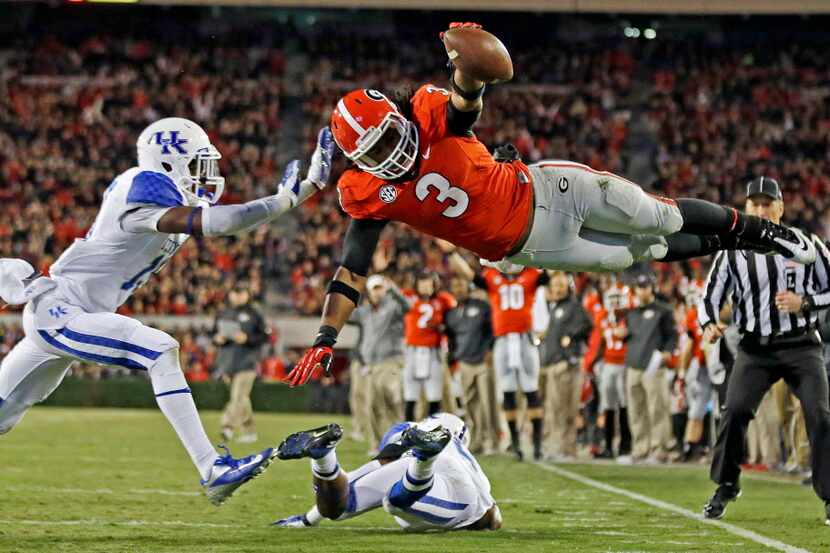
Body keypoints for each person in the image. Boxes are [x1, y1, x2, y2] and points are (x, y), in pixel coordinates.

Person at [285, 20, 816, 394]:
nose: (387, 152)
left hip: (548, 191)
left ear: (397, 116)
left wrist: (470, 71)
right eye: (373, 150)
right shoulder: (362, 193)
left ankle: (760, 232)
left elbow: (465, 106)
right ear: (356, 160)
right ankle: (730, 241)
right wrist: (327, 334)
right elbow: (352, 270)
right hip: (537, 245)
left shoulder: (427, 113)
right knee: (640, 255)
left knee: (661, 216)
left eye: (387, 137)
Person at [0, 118, 335, 505]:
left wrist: (306, 188)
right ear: (167, 164)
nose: (205, 175)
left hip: (71, 312)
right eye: (195, 164)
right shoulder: (142, 185)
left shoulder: (163, 195)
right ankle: (212, 467)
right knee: (159, 349)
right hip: (61, 311)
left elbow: (226, 217)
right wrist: (286, 199)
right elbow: (221, 222)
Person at [699, 177, 830, 524]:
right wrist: (709, 322)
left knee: (820, 414)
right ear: (746, 208)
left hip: (802, 344)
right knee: (735, 411)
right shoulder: (732, 249)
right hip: (755, 348)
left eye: (767, 203)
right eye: (754, 204)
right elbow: (710, 295)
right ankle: (727, 484)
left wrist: (806, 302)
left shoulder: (807, 244)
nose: (760, 210)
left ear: (780, 207)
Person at [272, 413, 501, 532]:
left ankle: (324, 459)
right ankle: (425, 459)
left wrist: (308, 520)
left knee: (342, 506)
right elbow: (491, 518)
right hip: (443, 476)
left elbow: (363, 474)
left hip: (411, 459)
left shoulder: (409, 431)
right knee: (393, 501)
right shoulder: (463, 457)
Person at [445, 249, 548, 461]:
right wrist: (453, 254)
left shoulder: (530, 274)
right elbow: (470, 275)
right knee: (508, 392)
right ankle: (516, 444)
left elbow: (553, 273)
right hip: (502, 340)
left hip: (525, 339)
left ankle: (537, 445)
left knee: (531, 390)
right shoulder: (493, 278)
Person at [350, 273, 409, 452]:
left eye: (380, 288)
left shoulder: (393, 306)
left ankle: (400, 440)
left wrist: (394, 290)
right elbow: (346, 313)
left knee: (392, 399)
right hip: (371, 364)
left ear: (385, 289)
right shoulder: (365, 312)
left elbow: (408, 307)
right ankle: (376, 444)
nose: (377, 292)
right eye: (374, 289)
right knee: (372, 405)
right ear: (369, 292)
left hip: (391, 361)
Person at [624, 273, 679, 463]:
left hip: (653, 366)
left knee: (657, 408)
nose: (643, 290)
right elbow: (629, 336)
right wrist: (622, 334)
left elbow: (672, 335)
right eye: (640, 287)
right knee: (636, 410)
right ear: (636, 290)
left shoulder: (663, 310)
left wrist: (667, 351)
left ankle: (659, 449)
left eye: (646, 286)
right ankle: (640, 448)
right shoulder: (630, 313)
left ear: (652, 288)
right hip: (633, 365)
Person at [538, 271, 593, 460]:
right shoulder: (556, 307)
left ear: (568, 287)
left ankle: (565, 449)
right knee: (555, 408)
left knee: (565, 409)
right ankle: (559, 447)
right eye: (555, 286)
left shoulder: (573, 306)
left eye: (561, 286)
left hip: (566, 364)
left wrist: (571, 336)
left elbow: (587, 324)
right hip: (554, 363)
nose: (558, 289)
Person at [444, 273, 495, 454]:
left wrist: (490, 349)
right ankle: (478, 440)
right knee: (470, 404)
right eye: (455, 286)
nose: (458, 290)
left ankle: (492, 440)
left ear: (469, 287)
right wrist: (453, 359)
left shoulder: (482, 307)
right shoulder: (451, 314)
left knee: (488, 403)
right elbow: (451, 339)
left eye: (461, 286)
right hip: (464, 362)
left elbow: (492, 330)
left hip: (482, 361)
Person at [213, 282, 269, 443]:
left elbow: (264, 337)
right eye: (235, 292)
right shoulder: (223, 312)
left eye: (241, 292)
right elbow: (213, 334)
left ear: (247, 294)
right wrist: (217, 339)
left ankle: (227, 427)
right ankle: (249, 432)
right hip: (227, 362)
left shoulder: (255, 313)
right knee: (242, 399)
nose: (237, 295)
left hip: (247, 361)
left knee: (238, 396)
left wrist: (247, 339)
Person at [584, 277, 633, 460]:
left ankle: (625, 446)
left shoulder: (629, 317)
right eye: (611, 299)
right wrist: (594, 362)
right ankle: (608, 445)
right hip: (608, 364)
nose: (614, 303)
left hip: (624, 365)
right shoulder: (602, 317)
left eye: (617, 299)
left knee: (624, 405)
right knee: (608, 406)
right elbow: (601, 342)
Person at [401, 272, 456, 421]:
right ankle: (408, 430)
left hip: (434, 351)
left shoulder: (444, 300)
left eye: (428, 282)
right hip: (411, 350)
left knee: (434, 393)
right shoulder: (408, 297)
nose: (425, 286)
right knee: (410, 394)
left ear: (435, 284)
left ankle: (432, 431)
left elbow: (454, 322)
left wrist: (443, 328)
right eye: (422, 282)